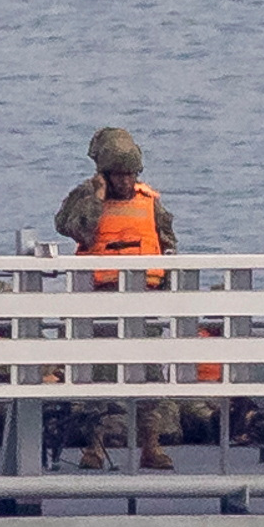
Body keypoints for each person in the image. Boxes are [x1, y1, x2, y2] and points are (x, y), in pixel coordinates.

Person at [56, 132, 177, 469]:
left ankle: (150, 445)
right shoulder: (86, 195)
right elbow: (72, 228)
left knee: (151, 374)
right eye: (119, 175)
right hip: (101, 297)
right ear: (105, 173)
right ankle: (93, 447)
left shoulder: (150, 200)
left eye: (131, 174)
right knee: (100, 374)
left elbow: (166, 241)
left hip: (145, 297)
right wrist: (96, 196)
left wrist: (166, 283)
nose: (126, 181)